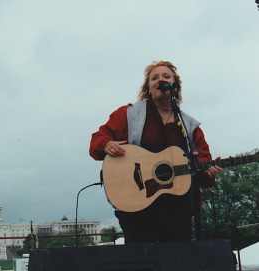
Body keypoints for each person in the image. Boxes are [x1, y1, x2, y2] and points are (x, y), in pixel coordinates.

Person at [89, 61, 221, 244]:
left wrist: (208, 172)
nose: (160, 80)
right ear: (148, 87)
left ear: (175, 86)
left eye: (166, 77)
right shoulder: (128, 114)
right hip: (137, 205)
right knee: (142, 261)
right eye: (155, 78)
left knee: (177, 259)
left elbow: (203, 167)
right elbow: (97, 139)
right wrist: (106, 144)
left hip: (178, 210)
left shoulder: (189, 126)